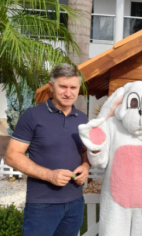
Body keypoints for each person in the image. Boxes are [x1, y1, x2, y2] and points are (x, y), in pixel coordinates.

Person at [5, 63, 90, 236]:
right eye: (63, 86)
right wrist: (49, 175)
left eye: (73, 87)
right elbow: (12, 156)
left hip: (75, 202)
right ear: (51, 87)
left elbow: (84, 152)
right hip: (42, 205)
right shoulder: (32, 116)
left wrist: (86, 166)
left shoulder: (83, 119)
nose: (68, 93)